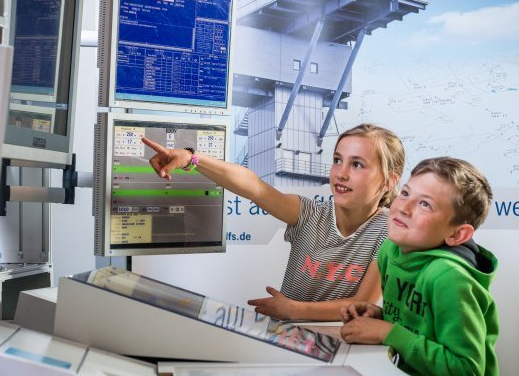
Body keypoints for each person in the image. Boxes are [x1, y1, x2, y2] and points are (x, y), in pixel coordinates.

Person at [142, 123, 404, 321]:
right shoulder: (310, 215)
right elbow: (254, 186)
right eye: (337, 160)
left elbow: (362, 305)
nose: (341, 174)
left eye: (357, 165)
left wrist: (294, 309)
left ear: (389, 181)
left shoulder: (389, 234)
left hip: (341, 346)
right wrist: (192, 158)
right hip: (288, 338)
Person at [339, 157, 499, 376]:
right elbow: (419, 325)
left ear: (457, 234)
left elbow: (467, 370)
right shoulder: (390, 250)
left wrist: (388, 332)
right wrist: (381, 317)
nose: (404, 207)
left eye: (425, 204)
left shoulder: (450, 279)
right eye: (405, 193)